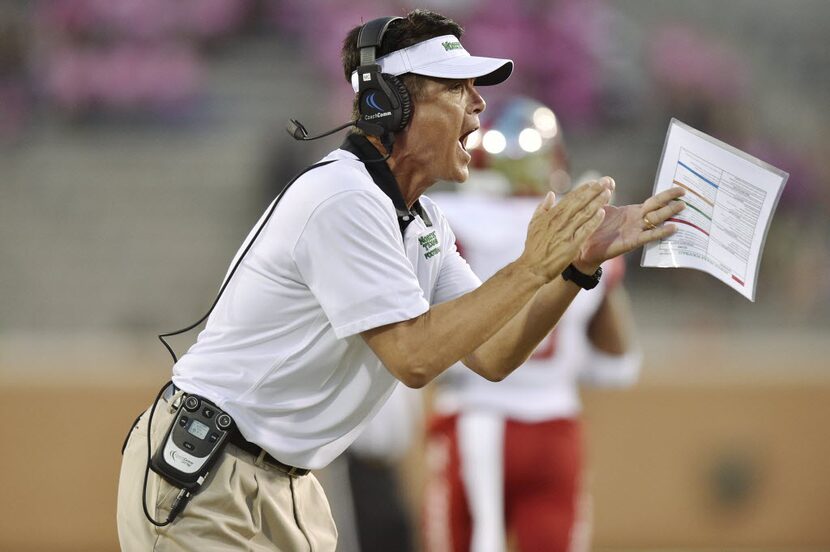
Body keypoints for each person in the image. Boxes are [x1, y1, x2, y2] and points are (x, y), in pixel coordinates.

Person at [117, 9, 685, 551]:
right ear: (390, 103)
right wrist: (531, 265)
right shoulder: (343, 199)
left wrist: (575, 267)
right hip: (210, 470)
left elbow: (493, 354)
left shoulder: (421, 218)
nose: (479, 105)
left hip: (279, 480)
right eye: (458, 89)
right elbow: (413, 358)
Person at [424, 97, 642, 552]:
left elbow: (423, 340)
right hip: (554, 425)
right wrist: (610, 281)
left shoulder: (447, 219)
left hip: (474, 418)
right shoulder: (584, 226)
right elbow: (618, 367)